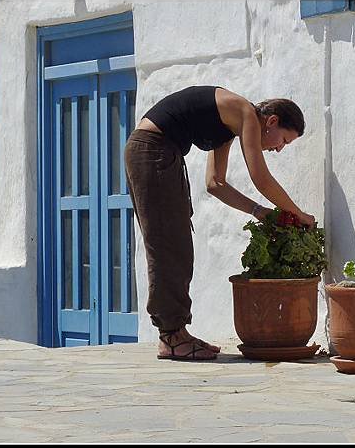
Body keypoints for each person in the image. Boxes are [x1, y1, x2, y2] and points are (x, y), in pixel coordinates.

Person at [124, 85, 316, 361]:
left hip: (157, 152)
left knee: (177, 243)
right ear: (272, 121)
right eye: (283, 140)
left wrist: (258, 211)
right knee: (168, 245)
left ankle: (176, 332)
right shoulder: (245, 112)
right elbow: (260, 178)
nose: (278, 149)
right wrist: (299, 214)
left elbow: (215, 183)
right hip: (152, 151)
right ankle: (171, 336)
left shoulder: (229, 123)